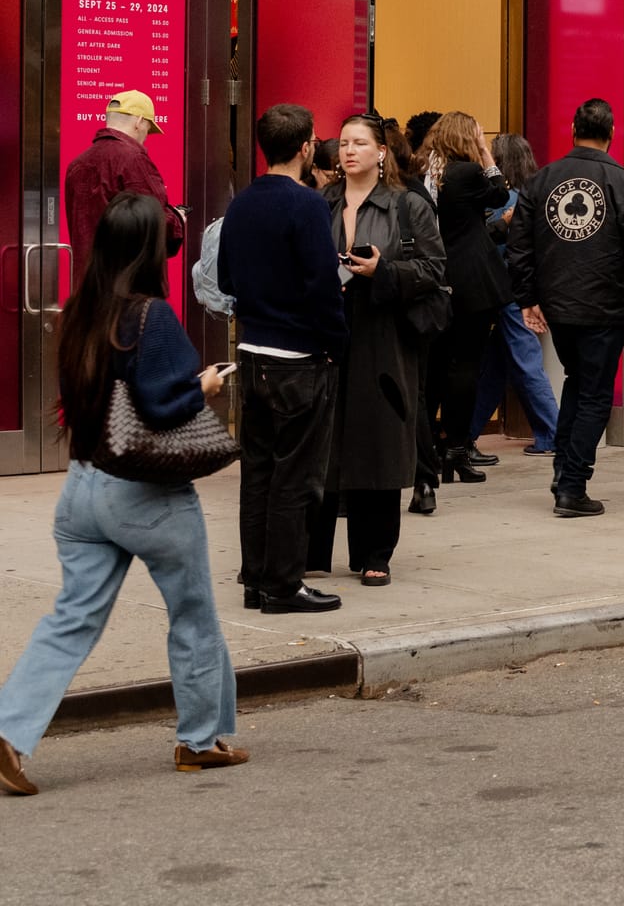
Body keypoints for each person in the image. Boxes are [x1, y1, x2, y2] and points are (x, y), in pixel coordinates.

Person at [0, 194, 243, 796]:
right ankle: (200, 741)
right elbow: (162, 404)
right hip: (145, 493)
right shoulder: (150, 315)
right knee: (194, 616)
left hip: (82, 490)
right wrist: (204, 386)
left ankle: (8, 730)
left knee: (71, 618)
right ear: (150, 251)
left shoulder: (82, 310)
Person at [508, 98, 624, 518]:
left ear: (573, 130)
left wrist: (528, 298)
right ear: (611, 133)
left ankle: (564, 471)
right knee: (594, 393)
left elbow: (520, 245)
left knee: (578, 384)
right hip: (606, 306)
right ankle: (572, 484)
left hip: (559, 305)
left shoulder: (541, 181)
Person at [219, 104, 348, 615]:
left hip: (252, 351)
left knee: (258, 473)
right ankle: (283, 584)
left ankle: (256, 578)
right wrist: (336, 341)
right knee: (296, 477)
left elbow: (225, 277)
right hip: (298, 355)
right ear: (306, 146)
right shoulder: (307, 205)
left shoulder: (242, 203)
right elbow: (322, 284)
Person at [309, 114, 447, 583]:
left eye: (360, 143)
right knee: (324, 437)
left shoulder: (407, 205)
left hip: (385, 330)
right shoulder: (321, 202)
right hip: (329, 329)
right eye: (344, 143)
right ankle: (313, 550)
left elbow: (434, 269)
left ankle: (375, 553)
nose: (349, 151)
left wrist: (383, 270)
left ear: (381, 152)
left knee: (379, 437)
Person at [421, 112, 512, 480]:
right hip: (472, 280)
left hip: (437, 277)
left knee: (436, 364)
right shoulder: (468, 172)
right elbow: (501, 193)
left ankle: (429, 444)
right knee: (466, 365)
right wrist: (486, 154)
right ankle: (457, 448)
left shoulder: (428, 173)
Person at [466, 134, 559, 455]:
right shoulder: (533, 195)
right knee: (497, 367)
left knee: (525, 362)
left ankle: (553, 433)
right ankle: (468, 433)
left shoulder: (503, 202)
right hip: (523, 291)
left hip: (507, 292)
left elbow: (490, 248)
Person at [63, 89, 186, 271]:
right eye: (148, 129)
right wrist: (178, 219)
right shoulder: (134, 160)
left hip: (87, 280)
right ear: (139, 122)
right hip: (126, 280)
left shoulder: (77, 165)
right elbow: (156, 224)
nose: (146, 137)